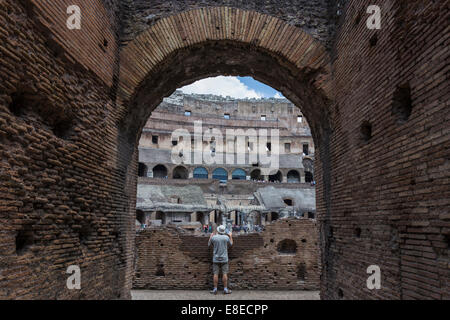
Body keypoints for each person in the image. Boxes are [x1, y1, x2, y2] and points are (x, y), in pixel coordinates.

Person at [208, 225, 233, 295]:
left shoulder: (214, 238)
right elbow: (231, 244)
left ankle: (215, 289)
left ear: (218, 230)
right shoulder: (226, 238)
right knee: (224, 274)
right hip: (225, 258)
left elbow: (209, 245)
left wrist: (210, 237)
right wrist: (230, 236)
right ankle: (225, 289)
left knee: (215, 274)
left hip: (215, 258)